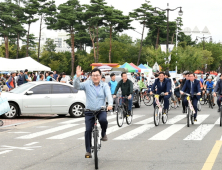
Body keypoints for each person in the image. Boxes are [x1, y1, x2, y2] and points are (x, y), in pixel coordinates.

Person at [73, 66, 113, 158]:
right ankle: (88, 151)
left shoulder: (105, 85)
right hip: (89, 111)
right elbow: (76, 86)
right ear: (91, 76)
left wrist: (110, 104)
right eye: (93, 75)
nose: (95, 77)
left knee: (103, 120)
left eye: (97, 75)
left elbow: (108, 95)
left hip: (101, 109)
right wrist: (77, 77)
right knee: (88, 130)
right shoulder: (87, 84)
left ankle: (103, 133)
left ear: (100, 75)